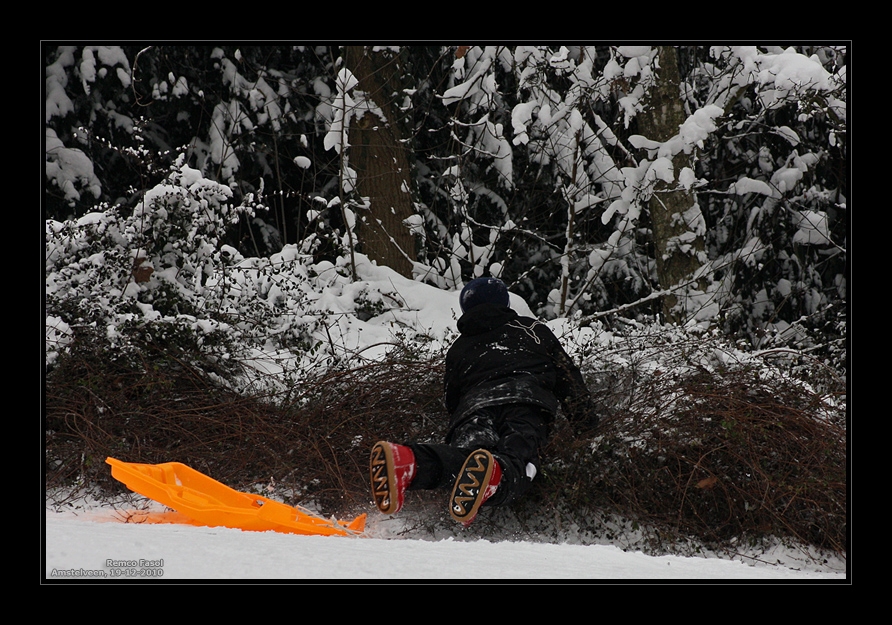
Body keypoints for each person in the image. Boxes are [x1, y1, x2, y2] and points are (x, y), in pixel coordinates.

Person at [369, 277, 600, 526]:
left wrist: (464, 419)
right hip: (524, 403)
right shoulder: (533, 330)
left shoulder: (459, 348)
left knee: (464, 460)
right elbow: (568, 378)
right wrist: (586, 428)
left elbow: (452, 399)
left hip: (473, 409)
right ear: (505, 302)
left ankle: (409, 461)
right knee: (518, 463)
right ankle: (493, 478)